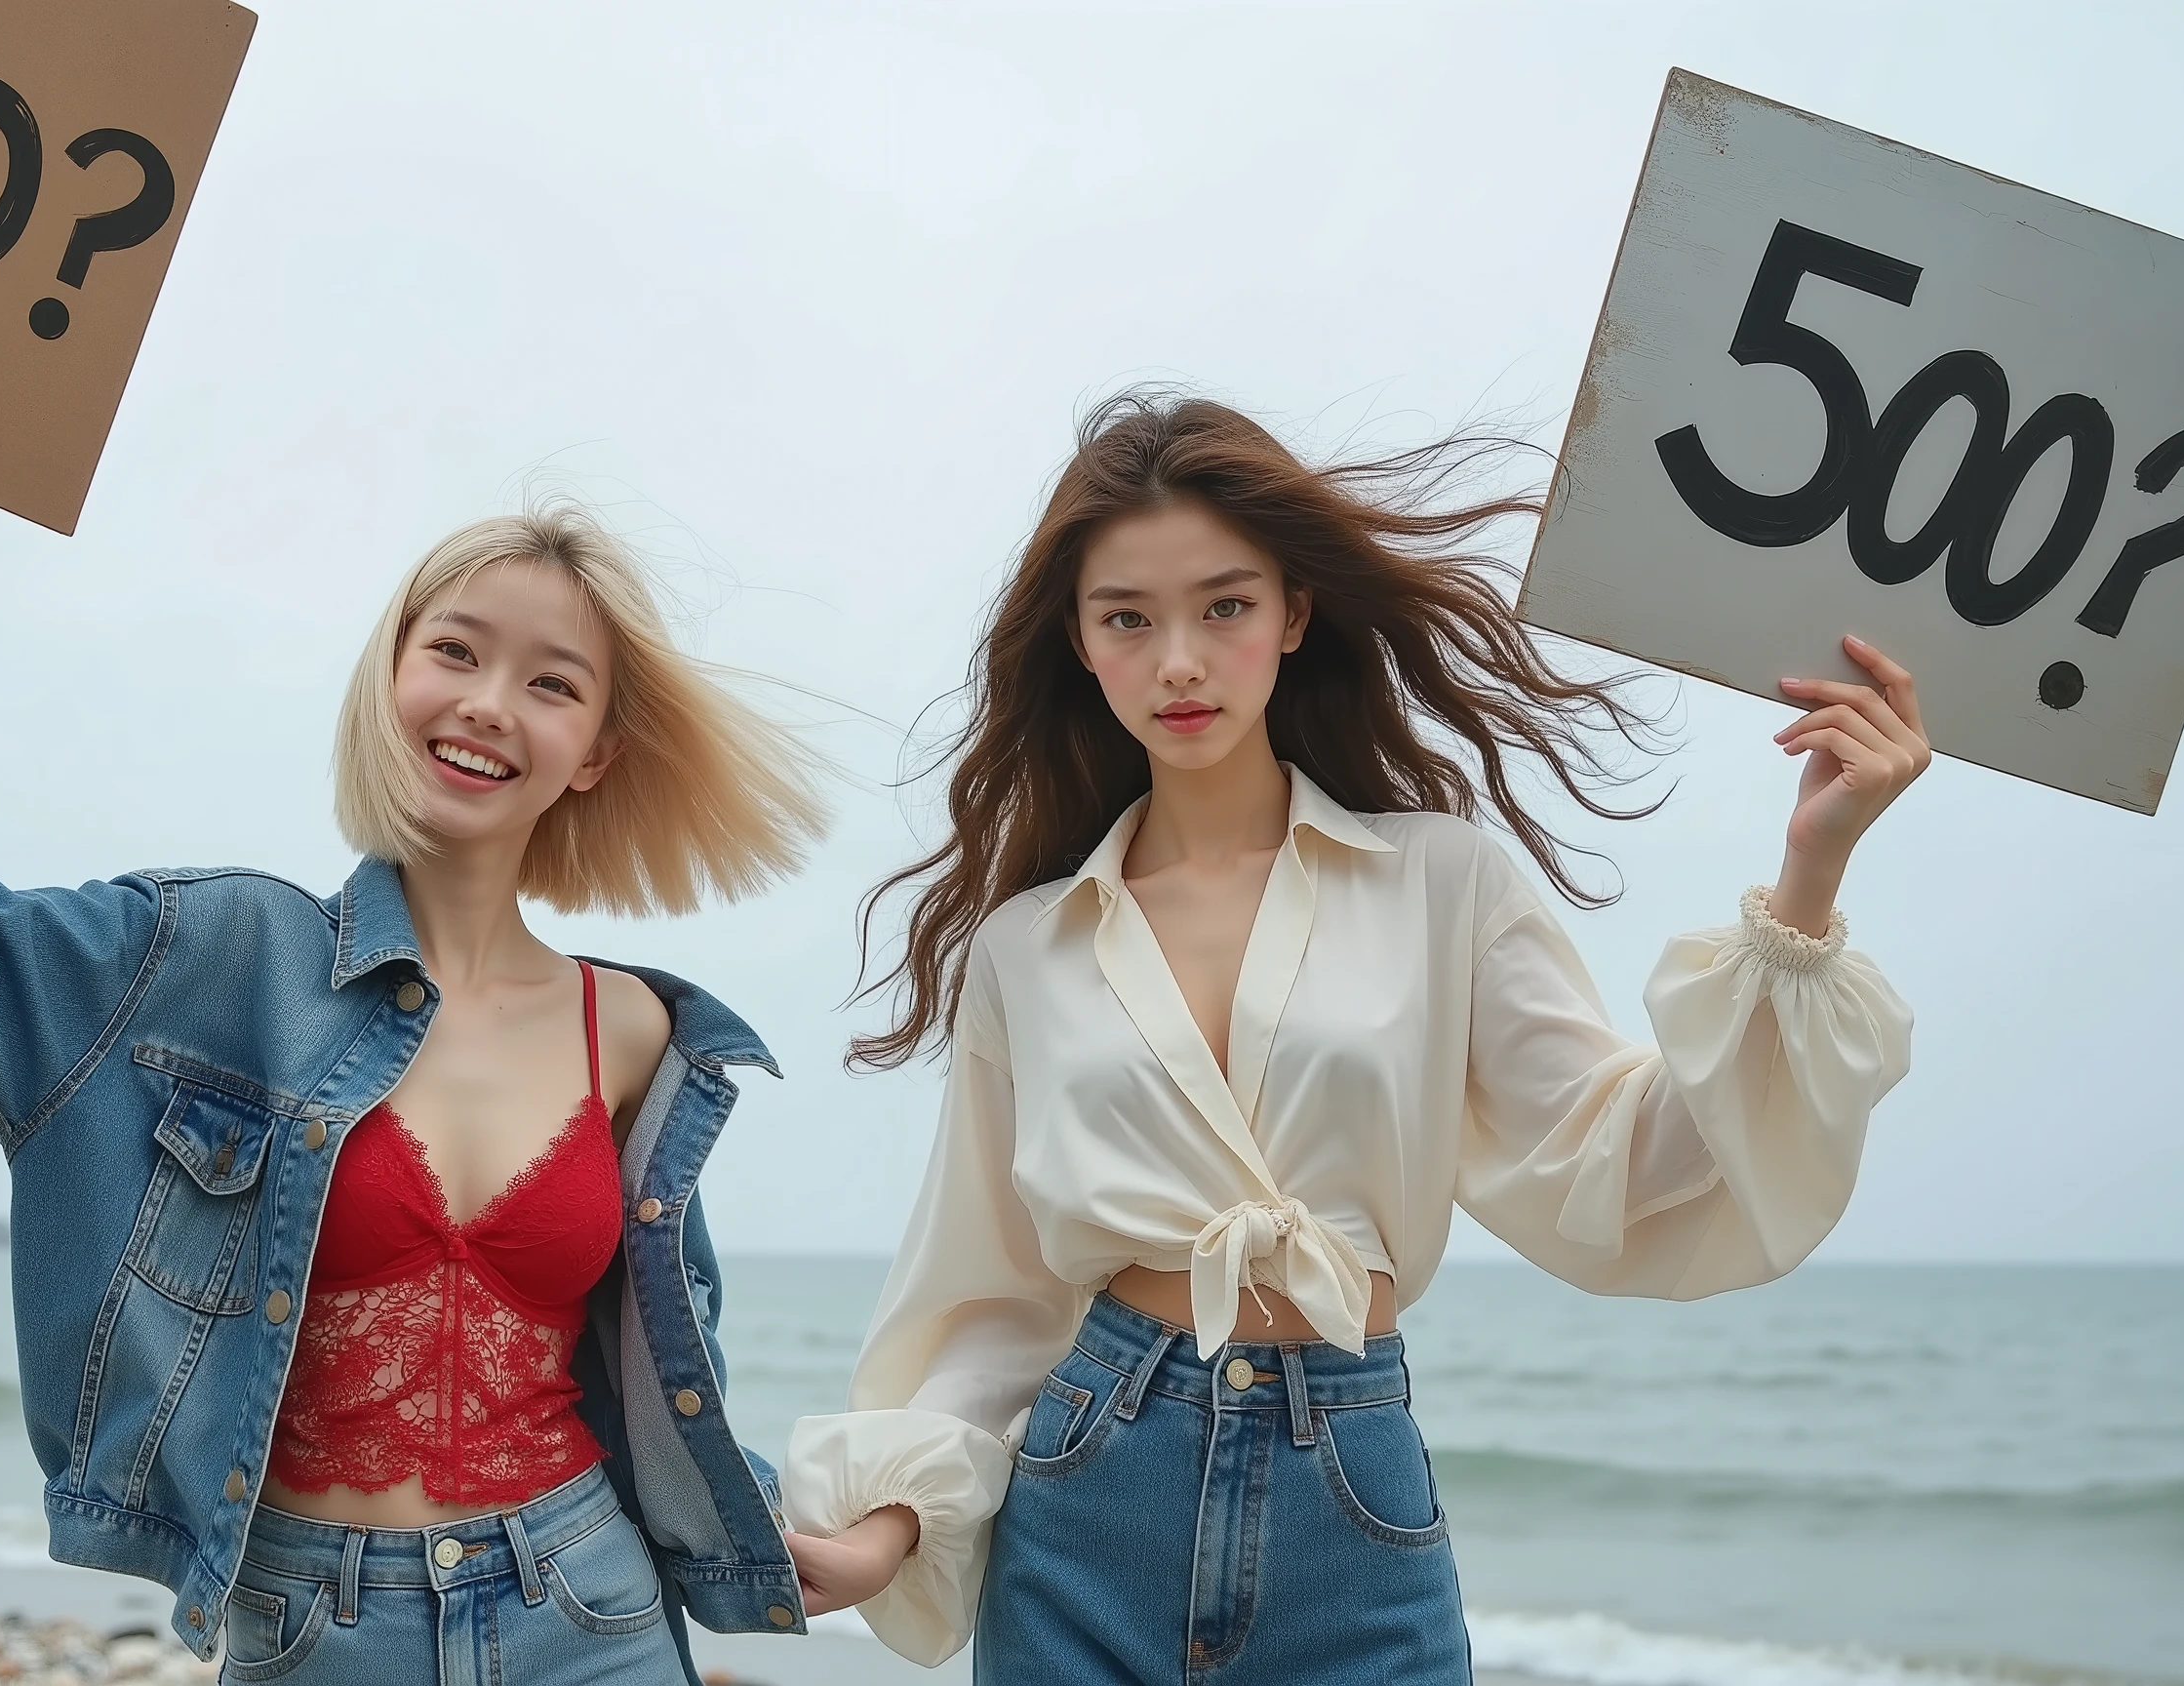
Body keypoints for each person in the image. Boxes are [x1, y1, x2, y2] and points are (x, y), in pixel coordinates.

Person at [0, 306, 828, 1683]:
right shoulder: (207, 960)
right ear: (389, 677)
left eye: (551, 683)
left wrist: (806, 1529)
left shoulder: (635, 1034)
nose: (492, 701)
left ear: (596, 755)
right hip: (315, 1628)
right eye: (454, 650)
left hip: (594, 1613)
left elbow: (666, 1367)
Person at [779, 393, 1924, 1683]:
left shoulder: (1441, 883)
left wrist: (1808, 878)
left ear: (1294, 612)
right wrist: (890, 1524)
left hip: (1353, 1492)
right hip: (1088, 1497)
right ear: (1081, 644)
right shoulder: (1025, 949)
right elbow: (989, 1296)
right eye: (1128, 620)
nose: (1180, 663)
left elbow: (1624, 1157)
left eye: (1225, 606)